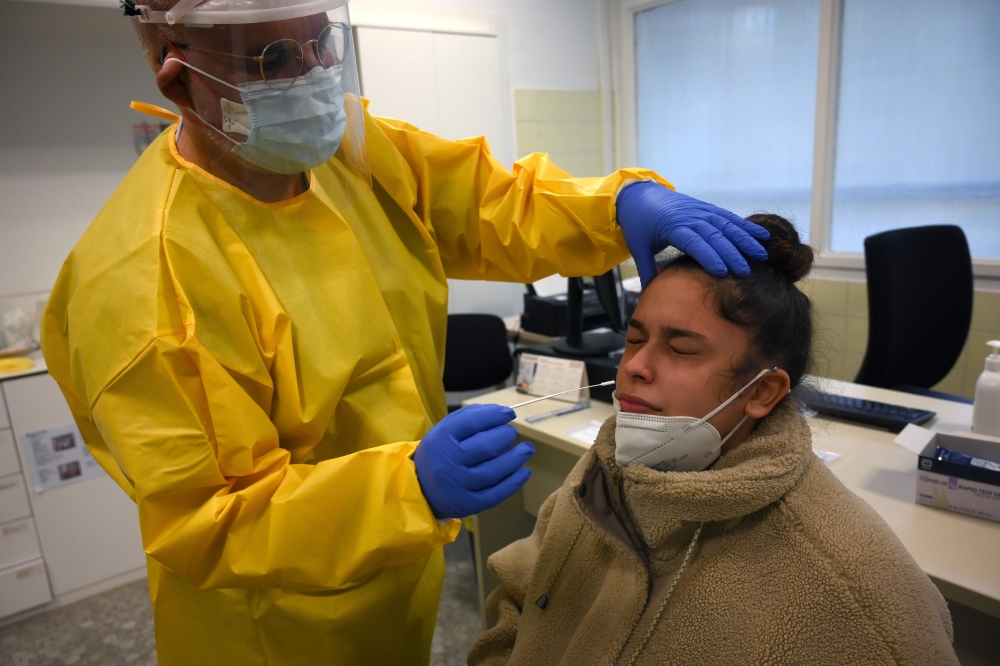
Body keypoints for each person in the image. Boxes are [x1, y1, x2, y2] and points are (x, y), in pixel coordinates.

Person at [40, 1, 771, 664]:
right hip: (272, 624)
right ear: (178, 76)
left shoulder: (348, 152)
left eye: (321, 42)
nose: (315, 75)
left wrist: (615, 207)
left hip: (397, 575)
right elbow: (210, 518)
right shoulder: (148, 282)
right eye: (272, 59)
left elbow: (489, 204)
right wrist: (406, 487)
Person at [468, 214, 960, 666]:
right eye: (635, 339)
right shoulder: (607, 469)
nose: (634, 365)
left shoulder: (860, 590)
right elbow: (523, 594)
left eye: (680, 349)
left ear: (763, 391)